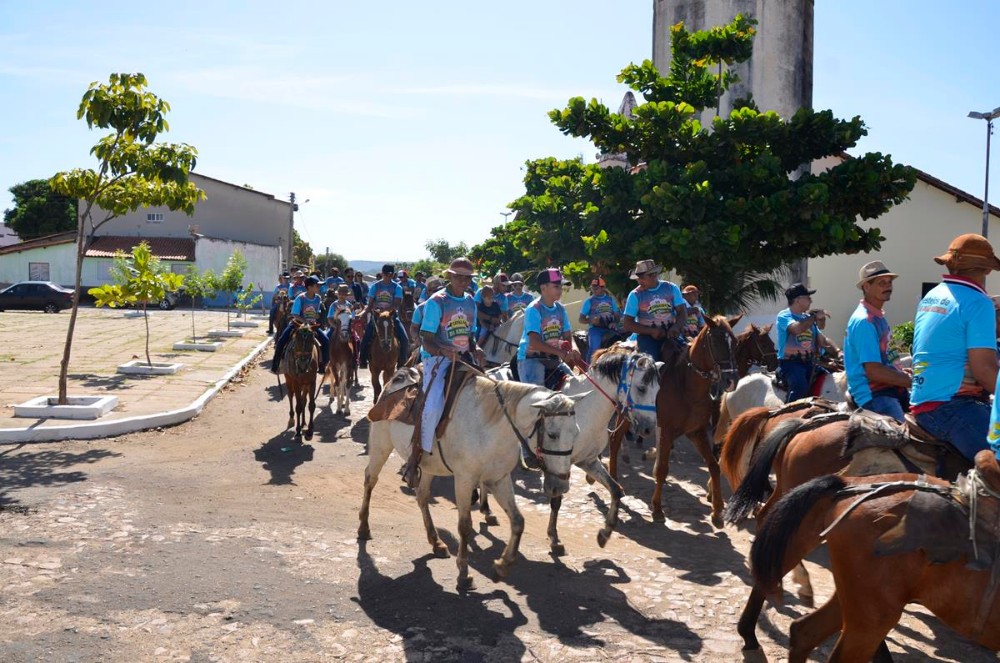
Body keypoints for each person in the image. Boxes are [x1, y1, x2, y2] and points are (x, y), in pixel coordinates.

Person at [913, 234, 999, 462]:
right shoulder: (978, 302)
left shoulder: (932, 295)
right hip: (953, 406)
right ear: (987, 270)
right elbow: (985, 372)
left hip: (924, 401)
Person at [401, 258, 485, 486]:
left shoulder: (470, 302)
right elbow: (426, 339)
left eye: (467, 277)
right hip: (437, 360)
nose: (463, 281)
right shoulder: (436, 302)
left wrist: (476, 348)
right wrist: (444, 352)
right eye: (458, 276)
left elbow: (471, 334)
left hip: (464, 359)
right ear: (449, 276)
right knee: (432, 406)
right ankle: (415, 457)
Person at [844, 261, 911, 422]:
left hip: (888, 388)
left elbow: (885, 359)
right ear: (866, 287)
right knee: (906, 440)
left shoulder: (877, 317)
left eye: (889, 282)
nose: (888, 287)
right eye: (882, 283)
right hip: (873, 394)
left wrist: (901, 373)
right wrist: (911, 381)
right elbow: (874, 371)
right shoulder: (865, 321)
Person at [516, 268, 580, 387]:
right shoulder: (534, 309)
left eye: (561, 287)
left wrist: (574, 348)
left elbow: (567, 334)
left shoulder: (561, 309)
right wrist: (561, 353)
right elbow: (534, 342)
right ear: (543, 288)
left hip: (553, 359)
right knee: (538, 399)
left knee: (575, 385)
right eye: (556, 286)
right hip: (531, 359)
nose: (560, 290)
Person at [776, 283, 838, 403]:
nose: (811, 300)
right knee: (800, 386)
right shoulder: (784, 316)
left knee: (831, 380)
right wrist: (814, 317)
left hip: (810, 363)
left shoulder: (807, 318)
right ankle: (788, 415)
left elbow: (823, 340)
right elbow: (796, 329)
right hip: (791, 364)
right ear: (798, 300)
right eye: (808, 297)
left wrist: (838, 352)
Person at [622, 259, 687, 361]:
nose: (639, 281)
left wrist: (676, 326)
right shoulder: (635, 295)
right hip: (647, 337)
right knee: (650, 364)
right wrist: (651, 331)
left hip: (671, 333)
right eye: (638, 278)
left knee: (688, 358)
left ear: (654, 275)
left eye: (642, 278)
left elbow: (682, 312)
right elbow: (627, 323)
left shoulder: (671, 288)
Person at [270, 275, 328, 374]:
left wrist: (316, 317)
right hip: (298, 323)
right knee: (281, 341)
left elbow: (317, 312)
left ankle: (322, 365)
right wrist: (305, 321)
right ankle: (275, 366)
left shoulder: (318, 298)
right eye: (317, 285)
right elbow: (295, 314)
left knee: (326, 341)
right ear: (309, 287)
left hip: (311, 324)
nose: (319, 287)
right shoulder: (300, 298)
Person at [358, 264, 409, 368]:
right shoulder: (375, 286)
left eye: (390, 275)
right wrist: (363, 313)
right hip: (377, 318)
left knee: (404, 339)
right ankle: (362, 360)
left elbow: (396, 303)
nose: (388, 277)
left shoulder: (397, 287)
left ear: (393, 275)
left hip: (392, 317)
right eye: (386, 274)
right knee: (366, 337)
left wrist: (385, 310)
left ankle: (401, 361)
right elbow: (370, 303)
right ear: (382, 274)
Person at [579, 277, 621, 365]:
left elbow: (617, 315)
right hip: (595, 329)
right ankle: (590, 368)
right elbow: (581, 319)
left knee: (619, 344)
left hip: (610, 327)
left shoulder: (610, 299)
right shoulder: (589, 301)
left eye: (596, 288)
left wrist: (615, 323)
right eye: (592, 287)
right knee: (595, 347)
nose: (594, 290)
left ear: (603, 288)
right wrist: (591, 320)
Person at [409, 276, 445, 345]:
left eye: (441, 289)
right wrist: (417, 338)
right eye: (434, 290)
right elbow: (413, 327)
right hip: (427, 346)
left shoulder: (451, 306)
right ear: (428, 292)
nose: (438, 293)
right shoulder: (420, 308)